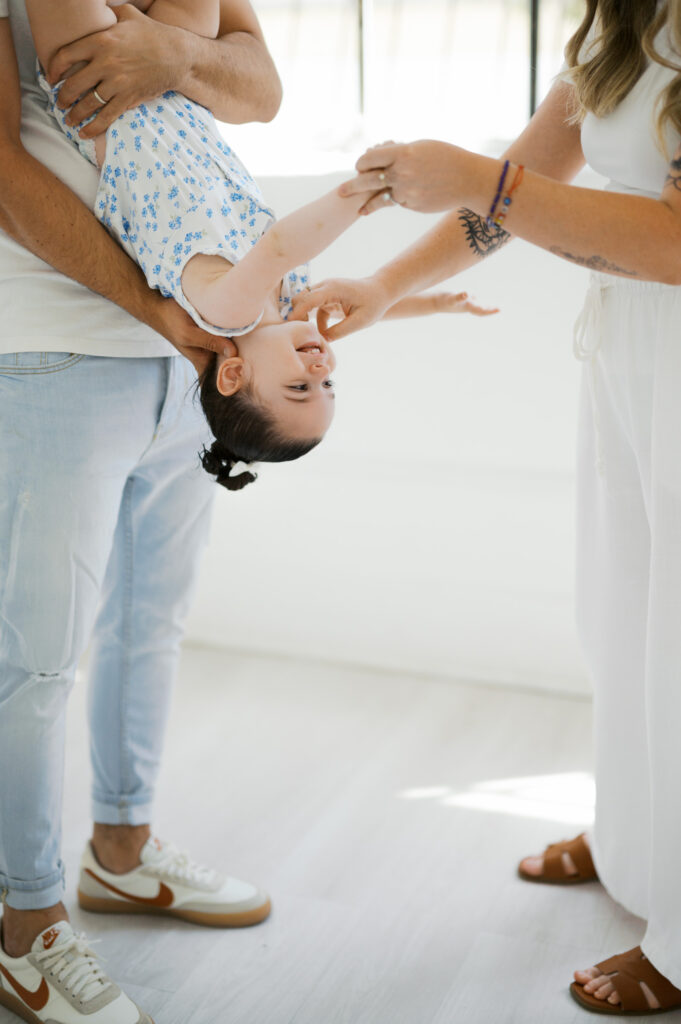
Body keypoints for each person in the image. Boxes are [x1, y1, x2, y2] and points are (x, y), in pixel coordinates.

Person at [291, 0, 681, 1015]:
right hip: (632, 354)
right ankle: (640, 837)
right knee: (623, 613)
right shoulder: (619, 28)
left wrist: (481, 179)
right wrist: (382, 285)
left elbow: (675, 242)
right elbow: (523, 186)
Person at [0, 4, 281, 1023]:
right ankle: (25, 922)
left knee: (150, 620)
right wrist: (158, 307)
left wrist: (175, 55)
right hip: (53, 346)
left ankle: (121, 849)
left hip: (183, 359)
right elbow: (3, 172)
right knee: (34, 659)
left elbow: (261, 87)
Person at [24, 0, 497, 493]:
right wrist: (435, 303)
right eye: (327, 385)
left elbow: (279, 247)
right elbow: (367, 307)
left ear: (231, 376)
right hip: (174, 89)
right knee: (199, 16)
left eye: (299, 387)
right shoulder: (290, 304)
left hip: (97, 95)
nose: (320, 369)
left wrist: (354, 198)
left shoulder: (223, 312)